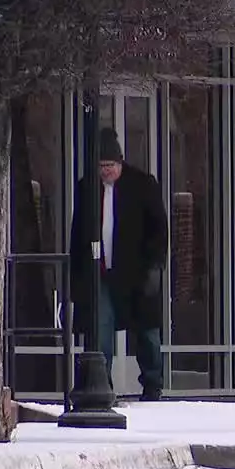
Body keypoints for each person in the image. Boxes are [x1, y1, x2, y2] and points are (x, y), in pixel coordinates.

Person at [70, 127, 168, 401]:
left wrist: (154, 266)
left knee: (146, 332)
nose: (106, 171)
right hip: (100, 272)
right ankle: (104, 386)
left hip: (137, 271)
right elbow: (78, 232)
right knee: (100, 330)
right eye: (101, 166)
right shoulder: (86, 186)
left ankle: (152, 383)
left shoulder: (143, 184)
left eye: (110, 165)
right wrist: (76, 278)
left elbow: (159, 228)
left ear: (120, 162)